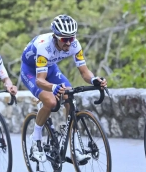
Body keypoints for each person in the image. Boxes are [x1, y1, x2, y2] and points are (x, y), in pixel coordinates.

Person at [20, 14, 107, 163]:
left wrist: (94, 80)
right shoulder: (44, 47)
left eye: (71, 38)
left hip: (50, 67)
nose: (68, 43)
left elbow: (84, 72)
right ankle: (35, 141)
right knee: (51, 102)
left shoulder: (75, 44)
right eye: (64, 39)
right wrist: (53, 87)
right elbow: (40, 80)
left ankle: (73, 147)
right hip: (31, 71)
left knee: (69, 96)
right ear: (55, 37)